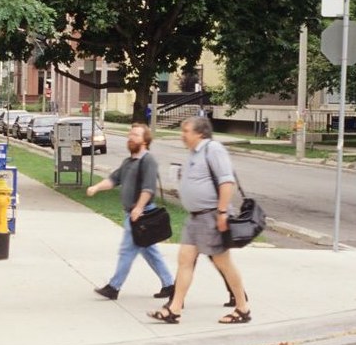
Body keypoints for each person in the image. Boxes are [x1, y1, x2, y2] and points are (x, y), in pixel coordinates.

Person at [148, 116, 251, 324]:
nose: (182, 135)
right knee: (185, 260)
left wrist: (222, 212)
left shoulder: (213, 149)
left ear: (200, 133)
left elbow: (227, 182)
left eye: (186, 131)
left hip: (212, 215)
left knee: (223, 262)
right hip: (195, 218)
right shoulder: (195, 153)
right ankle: (174, 308)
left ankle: (242, 307)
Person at [86, 124, 174, 300]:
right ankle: (170, 285)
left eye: (135, 135)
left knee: (127, 250)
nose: (130, 137)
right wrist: (96, 187)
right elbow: (113, 180)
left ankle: (114, 287)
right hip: (133, 213)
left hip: (141, 215)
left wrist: (139, 207)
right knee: (150, 251)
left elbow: (148, 188)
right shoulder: (128, 162)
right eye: (130, 134)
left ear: (145, 140)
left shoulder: (148, 160)